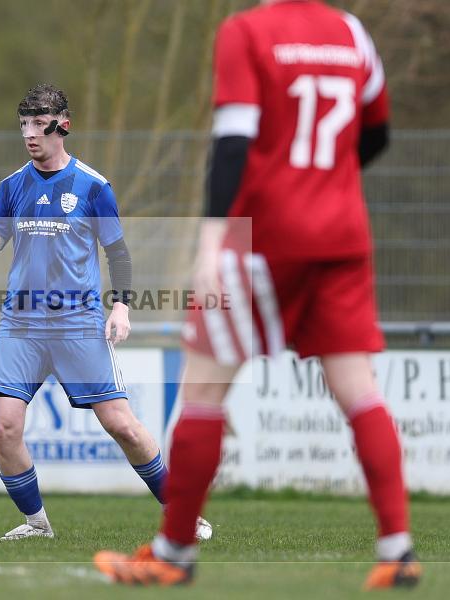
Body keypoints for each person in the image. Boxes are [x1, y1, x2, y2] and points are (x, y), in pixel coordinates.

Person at [94, 0, 421, 589]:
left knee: (203, 390)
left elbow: (233, 142)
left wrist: (212, 237)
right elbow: (377, 133)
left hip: (263, 237)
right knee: (359, 390)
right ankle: (397, 549)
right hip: (342, 235)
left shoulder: (246, 32)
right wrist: (324, 182)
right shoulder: (352, 33)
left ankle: (173, 552)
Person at [0, 84, 211, 541]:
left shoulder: (93, 186)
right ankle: (37, 525)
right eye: (23, 124)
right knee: (4, 427)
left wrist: (120, 306)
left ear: (62, 125)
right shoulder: (11, 187)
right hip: (21, 325)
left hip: (78, 325)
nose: (29, 133)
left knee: (122, 426)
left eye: (39, 124)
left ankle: (184, 514)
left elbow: (117, 253)